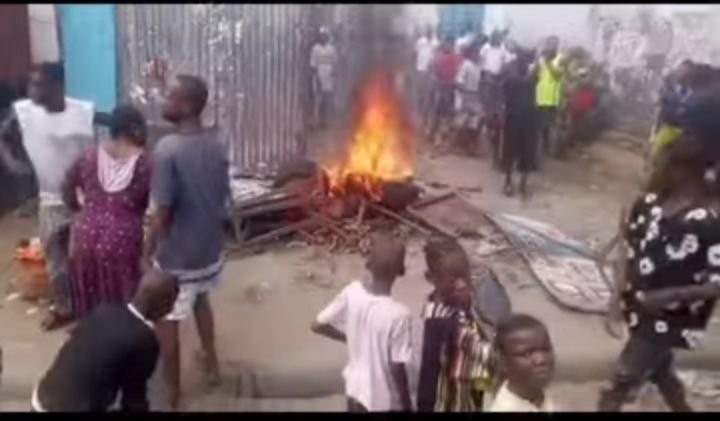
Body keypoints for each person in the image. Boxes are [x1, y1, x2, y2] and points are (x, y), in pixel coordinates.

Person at [597, 137, 720, 412]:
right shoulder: (648, 205)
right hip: (637, 307)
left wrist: (669, 295)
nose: (654, 170)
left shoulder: (708, 222)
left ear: (685, 170)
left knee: (620, 380)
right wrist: (615, 301)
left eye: (661, 164)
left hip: (672, 318)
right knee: (661, 372)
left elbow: (716, 284)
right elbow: (627, 254)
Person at [0, 62, 110, 330]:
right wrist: (17, 165)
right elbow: (5, 135)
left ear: (58, 87)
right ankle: (64, 307)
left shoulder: (83, 112)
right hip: (49, 199)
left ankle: (92, 312)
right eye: (30, 85)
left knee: (85, 259)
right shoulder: (24, 112)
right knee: (55, 260)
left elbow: (117, 123)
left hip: (84, 202)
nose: (32, 91)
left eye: (39, 85)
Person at [144, 74, 230, 410]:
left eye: (171, 97)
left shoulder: (168, 149)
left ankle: (173, 395)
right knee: (200, 300)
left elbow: (162, 212)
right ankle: (212, 363)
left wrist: (146, 251)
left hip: (178, 257)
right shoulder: (216, 143)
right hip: (209, 251)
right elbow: (222, 197)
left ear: (189, 106)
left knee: (167, 322)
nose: (164, 101)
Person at [31, 269, 178, 412]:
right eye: (172, 303)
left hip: (41, 399)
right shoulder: (144, 340)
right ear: (163, 303)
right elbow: (134, 398)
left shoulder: (105, 311)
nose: (171, 310)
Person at [61, 105, 151, 320]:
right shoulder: (146, 164)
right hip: (123, 240)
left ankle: (91, 335)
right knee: (123, 299)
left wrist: (80, 211)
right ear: (134, 129)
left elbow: (66, 187)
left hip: (85, 235)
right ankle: (121, 336)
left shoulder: (88, 156)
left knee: (90, 296)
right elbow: (157, 205)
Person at [311, 235, 413, 412]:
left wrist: (350, 338)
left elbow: (317, 325)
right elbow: (397, 367)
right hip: (381, 400)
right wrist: (406, 404)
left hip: (354, 390)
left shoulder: (352, 292)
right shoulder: (400, 315)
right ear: (400, 271)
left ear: (368, 264)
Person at [417, 238, 494, 412]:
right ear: (431, 278)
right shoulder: (439, 322)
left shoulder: (453, 299)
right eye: (452, 280)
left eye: (465, 276)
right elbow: (429, 370)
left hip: (467, 379)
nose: (462, 285)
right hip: (451, 396)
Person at [488, 314, 555, 412]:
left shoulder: (542, 399)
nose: (541, 360)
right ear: (502, 361)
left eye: (546, 349)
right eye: (527, 354)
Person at [501, 48, 537, 198]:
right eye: (522, 60)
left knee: (525, 153)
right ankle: (509, 182)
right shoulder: (514, 79)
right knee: (511, 152)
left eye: (526, 60)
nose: (523, 63)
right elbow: (504, 96)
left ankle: (521, 183)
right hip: (514, 119)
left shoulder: (531, 78)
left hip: (528, 120)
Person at [479, 30, 514, 166]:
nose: (497, 40)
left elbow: (508, 62)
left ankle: (493, 128)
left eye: (499, 38)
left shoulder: (503, 50)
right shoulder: (485, 48)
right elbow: (481, 64)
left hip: (498, 80)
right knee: (487, 108)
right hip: (487, 79)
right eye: (495, 37)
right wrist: (484, 78)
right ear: (492, 38)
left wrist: (502, 75)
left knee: (496, 109)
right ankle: (488, 129)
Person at [533, 36, 564, 159]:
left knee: (548, 124)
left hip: (552, 97)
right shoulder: (540, 58)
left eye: (553, 44)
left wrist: (548, 63)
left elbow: (558, 75)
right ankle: (539, 146)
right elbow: (535, 75)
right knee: (539, 123)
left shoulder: (560, 59)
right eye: (549, 44)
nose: (550, 47)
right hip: (540, 95)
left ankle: (546, 147)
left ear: (557, 46)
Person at [429, 35, 462, 145]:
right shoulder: (439, 57)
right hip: (441, 86)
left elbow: (458, 72)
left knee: (447, 113)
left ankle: (442, 136)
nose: (448, 46)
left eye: (450, 44)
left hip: (450, 88)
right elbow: (435, 71)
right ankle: (434, 134)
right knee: (438, 112)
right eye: (446, 44)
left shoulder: (456, 57)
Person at [454, 43, 483, 156]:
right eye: (475, 52)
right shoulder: (466, 65)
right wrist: (464, 94)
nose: (477, 54)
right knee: (461, 123)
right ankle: (459, 144)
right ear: (470, 53)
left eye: (478, 52)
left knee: (474, 123)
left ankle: (470, 147)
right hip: (466, 95)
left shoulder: (478, 67)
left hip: (475, 95)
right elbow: (458, 81)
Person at [309, 28, 338, 129]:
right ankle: (315, 121)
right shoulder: (315, 48)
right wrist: (316, 77)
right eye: (322, 35)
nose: (323, 37)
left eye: (325, 35)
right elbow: (313, 64)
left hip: (328, 75)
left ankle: (324, 121)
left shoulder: (331, 48)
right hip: (319, 73)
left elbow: (335, 62)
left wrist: (333, 75)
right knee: (318, 99)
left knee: (326, 100)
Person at [414, 26, 439, 131]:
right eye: (428, 30)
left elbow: (436, 56)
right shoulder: (420, 41)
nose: (429, 32)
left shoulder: (435, 43)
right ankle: (420, 113)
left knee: (428, 95)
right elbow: (415, 53)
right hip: (420, 69)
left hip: (430, 72)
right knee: (420, 93)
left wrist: (433, 67)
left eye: (430, 30)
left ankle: (426, 118)